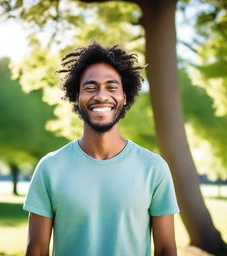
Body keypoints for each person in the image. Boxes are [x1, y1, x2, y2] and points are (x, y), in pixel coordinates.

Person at [23, 41, 179, 256]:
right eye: (90, 87)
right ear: (77, 97)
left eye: (111, 87)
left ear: (124, 97)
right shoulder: (50, 167)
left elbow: (166, 249)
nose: (101, 95)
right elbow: (37, 249)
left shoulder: (154, 168)